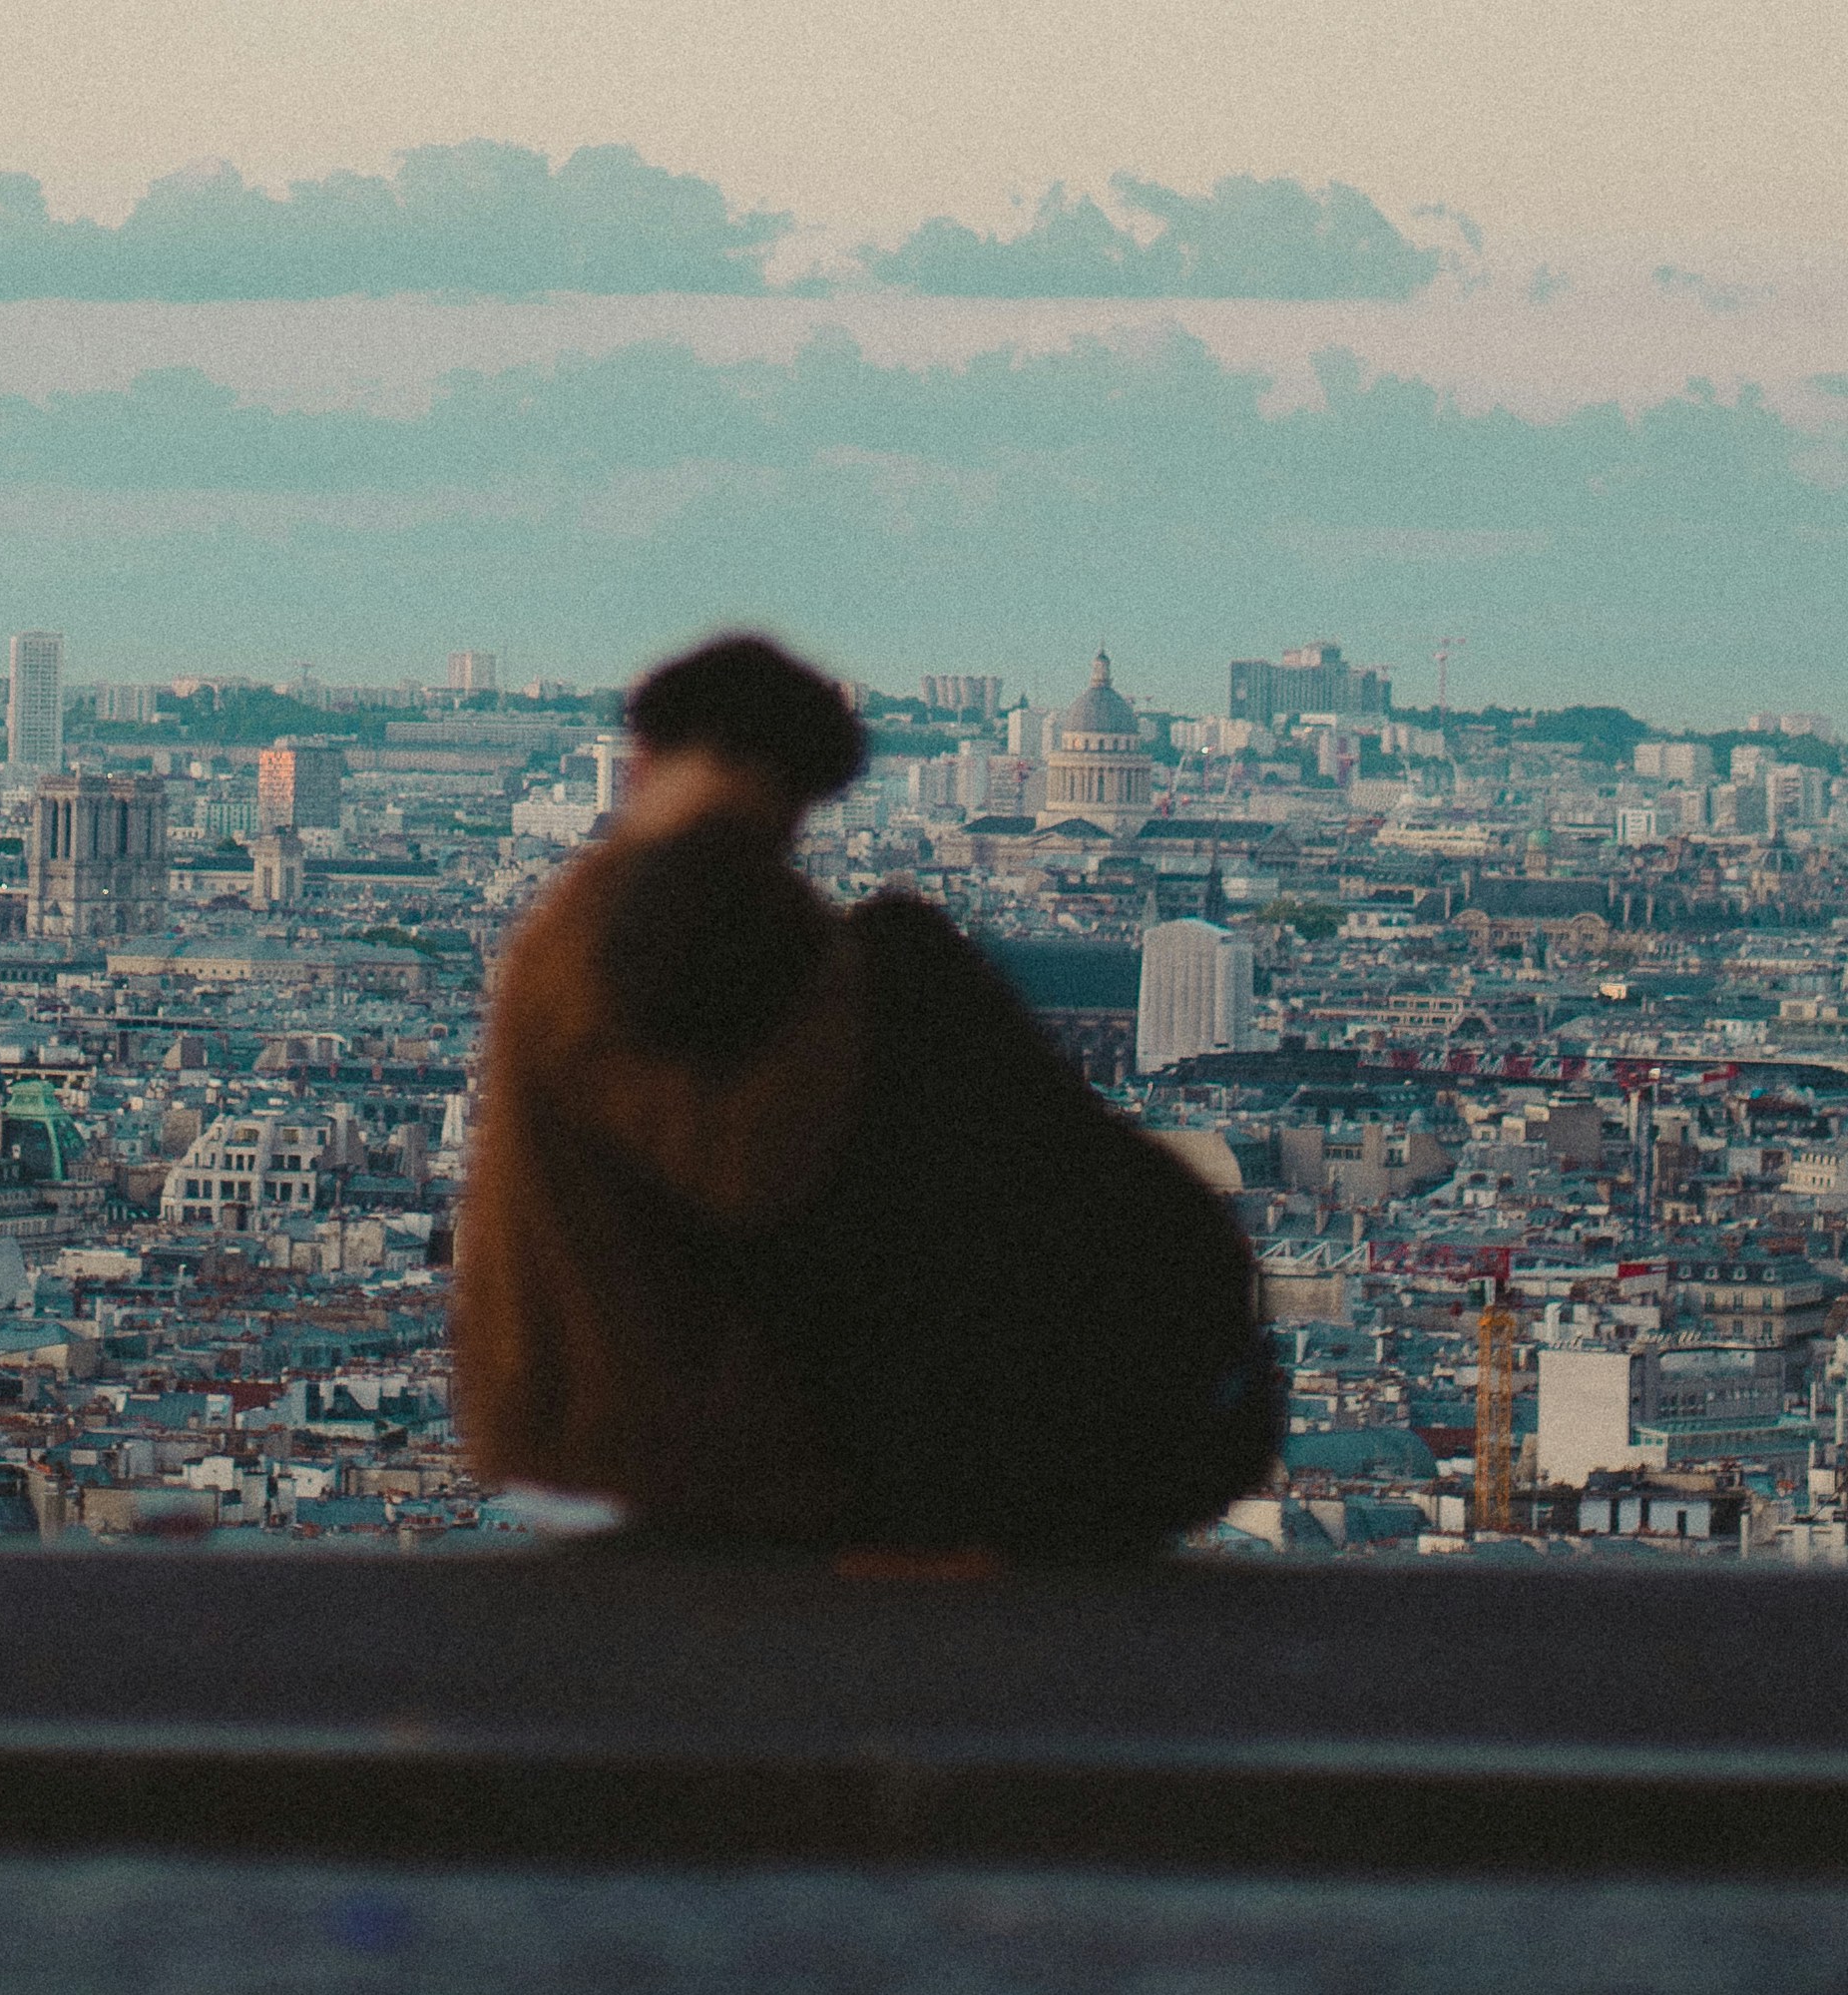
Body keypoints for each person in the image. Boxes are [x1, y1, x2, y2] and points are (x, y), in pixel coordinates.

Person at [454, 632, 1275, 1555]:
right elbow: (751, 1169)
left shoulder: (595, 912)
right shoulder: (688, 909)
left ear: (643, 760)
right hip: (676, 1423)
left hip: (579, 1406)